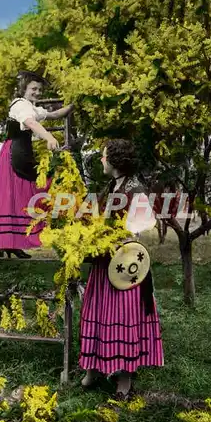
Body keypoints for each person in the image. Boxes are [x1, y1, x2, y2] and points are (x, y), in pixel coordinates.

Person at [79, 139, 164, 399]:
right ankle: (92, 369)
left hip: (123, 265)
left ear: (114, 160)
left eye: (104, 156)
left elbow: (142, 226)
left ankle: (124, 380)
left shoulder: (135, 188)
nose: (102, 160)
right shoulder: (111, 186)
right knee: (96, 312)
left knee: (122, 317)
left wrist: (120, 239)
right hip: (103, 262)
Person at [0, 71, 74, 258]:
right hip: (15, 153)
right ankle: (13, 240)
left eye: (40, 89)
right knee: (32, 187)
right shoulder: (20, 106)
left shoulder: (31, 107)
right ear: (24, 89)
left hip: (22, 151)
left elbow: (53, 114)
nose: (37, 92)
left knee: (22, 192)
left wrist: (75, 104)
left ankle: (14, 241)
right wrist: (49, 136)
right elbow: (30, 123)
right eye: (33, 88)